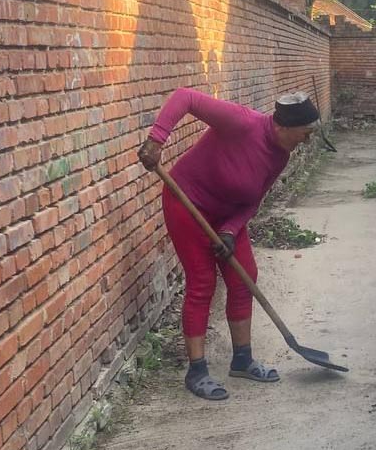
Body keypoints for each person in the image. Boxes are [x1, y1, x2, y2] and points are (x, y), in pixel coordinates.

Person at [138, 88, 322, 400]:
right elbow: (186, 97)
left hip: (226, 216)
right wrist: (157, 139)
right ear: (283, 127)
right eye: (304, 134)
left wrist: (230, 230)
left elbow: (253, 202)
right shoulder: (242, 123)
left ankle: (242, 359)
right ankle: (196, 370)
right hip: (187, 203)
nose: (306, 141)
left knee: (244, 276)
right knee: (202, 282)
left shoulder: (281, 155)